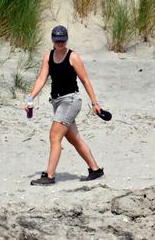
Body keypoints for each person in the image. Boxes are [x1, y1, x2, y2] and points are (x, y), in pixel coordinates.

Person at [25, 25, 105, 186]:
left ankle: (49, 176)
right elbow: (41, 78)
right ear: (52, 40)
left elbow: (85, 80)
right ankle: (95, 170)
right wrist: (30, 97)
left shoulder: (73, 57)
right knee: (74, 138)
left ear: (66, 39)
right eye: (57, 40)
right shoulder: (49, 56)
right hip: (57, 102)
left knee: (54, 136)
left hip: (70, 101)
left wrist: (95, 103)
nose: (60, 43)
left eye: (63, 40)